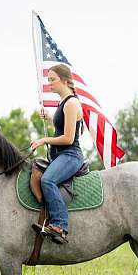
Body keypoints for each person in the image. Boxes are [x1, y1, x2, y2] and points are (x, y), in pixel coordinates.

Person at [30, 64, 85, 244]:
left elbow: (69, 138)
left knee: (48, 180)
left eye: (52, 79)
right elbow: (65, 125)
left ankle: (60, 225)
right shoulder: (65, 103)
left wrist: (44, 140)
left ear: (64, 80)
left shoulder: (71, 103)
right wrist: (51, 117)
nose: (49, 84)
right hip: (61, 155)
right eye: (48, 80)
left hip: (71, 155)